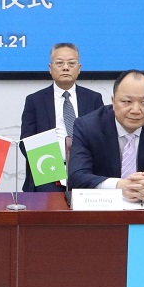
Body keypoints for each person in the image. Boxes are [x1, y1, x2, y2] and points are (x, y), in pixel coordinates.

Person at [68, 70, 144, 202]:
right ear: (113, 101)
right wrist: (118, 186)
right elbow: (76, 177)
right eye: (127, 101)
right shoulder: (88, 126)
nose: (136, 110)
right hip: (102, 206)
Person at [19, 42, 104, 192]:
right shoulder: (35, 100)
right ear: (50, 68)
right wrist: (52, 165)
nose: (65, 68)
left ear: (79, 68)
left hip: (86, 169)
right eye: (59, 63)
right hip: (48, 171)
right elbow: (25, 142)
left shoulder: (93, 99)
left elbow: (102, 138)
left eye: (71, 63)